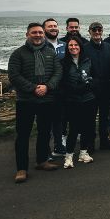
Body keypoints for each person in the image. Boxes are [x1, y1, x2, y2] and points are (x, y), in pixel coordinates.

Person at [8, 23, 62, 183]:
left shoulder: (50, 52)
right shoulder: (18, 54)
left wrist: (47, 86)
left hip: (47, 99)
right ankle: (21, 169)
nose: (37, 35)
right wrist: (33, 88)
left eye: (40, 32)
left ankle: (42, 161)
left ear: (44, 34)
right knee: (23, 135)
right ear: (27, 34)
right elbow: (14, 76)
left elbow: (58, 72)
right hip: (26, 100)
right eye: (34, 33)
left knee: (45, 132)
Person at [60, 37, 97, 168]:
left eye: (76, 45)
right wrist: (73, 90)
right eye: (70, 45)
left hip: (88, 99)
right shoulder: (63, 63)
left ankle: (83, 153)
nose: (73, 47)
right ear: (67, 47)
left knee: (87, 127)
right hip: (72, 100)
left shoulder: (87, 60)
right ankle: (69, 156)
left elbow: (94, 77)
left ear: (80, 46)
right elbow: (62, 82)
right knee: (74, 129)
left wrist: (88, 86)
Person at [83, 22, 110, 150]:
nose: (97, 32)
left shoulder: (109, 48)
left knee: (105, 117)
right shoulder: (84, 48)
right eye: (94, 30)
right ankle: (90, 144)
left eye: (99, 30)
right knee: (90, 118)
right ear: (89, 32)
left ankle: (104, 142)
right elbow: (82, 69)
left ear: (102, 31)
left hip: (107, 89)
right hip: (91, 89)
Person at [43, 18, 66, 157]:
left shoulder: (64, 45)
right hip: (46, 88)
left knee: (58, 120)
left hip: (62, 89)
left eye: (55, 26)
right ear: (44, 29)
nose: (53, 28)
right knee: (45, 121)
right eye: (50, 26)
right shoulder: (41, 45)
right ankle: (45, 151)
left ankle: (58, 146)